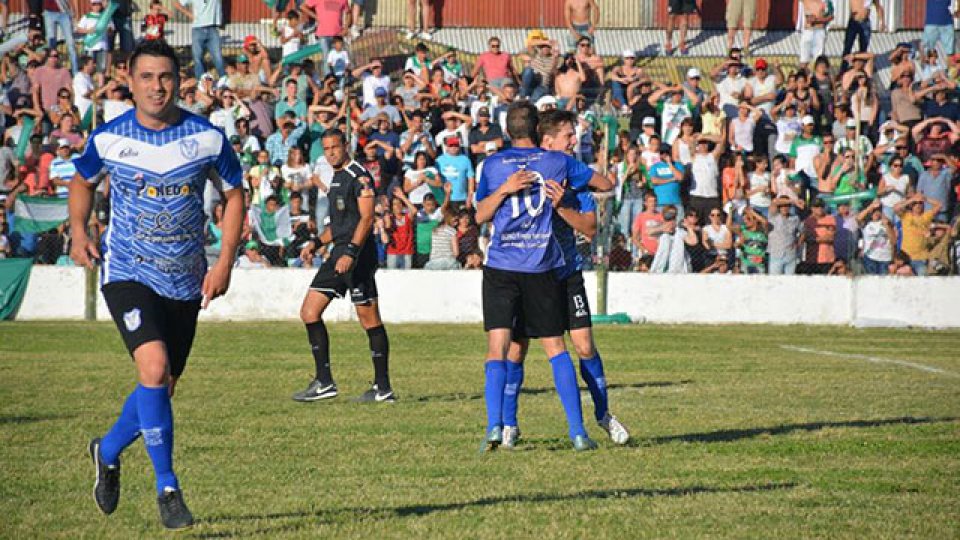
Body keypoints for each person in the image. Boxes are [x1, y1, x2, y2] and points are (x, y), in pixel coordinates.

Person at [71, 40, 244, 531]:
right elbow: (82, 181)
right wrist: (80, 231)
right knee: (154, 364)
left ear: (179, 79)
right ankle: (168, 487)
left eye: (165, 77)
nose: (156, 87)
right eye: (146, 77)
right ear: (129, 79)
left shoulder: (207, 137)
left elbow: (235, 195)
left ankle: (106, 451)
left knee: (161, 385)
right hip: (128, 271)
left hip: (185, 280)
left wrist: (225, 260)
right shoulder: (108, 139)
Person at [474, 101, 611, 452]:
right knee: (555, 348)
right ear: (538, 131)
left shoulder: (491, 165)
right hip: (540, 268)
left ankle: (494, 426)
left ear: (506, 130)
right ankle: (578, 432)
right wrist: (573, 188)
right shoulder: (558, 162)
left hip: (502, 267)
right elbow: (603, 182)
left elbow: (479, 216)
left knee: (499, 349)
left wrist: (504, 189)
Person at [293, 129, 395, 403]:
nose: (330, 153)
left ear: (345, 146)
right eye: (326, 149)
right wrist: (315, 243)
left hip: (357, 257)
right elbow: (338, 226)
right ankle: (324, 382)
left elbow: (365, 219)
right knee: (309, 312)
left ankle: (382, 387)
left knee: (369, 319)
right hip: (337, 254)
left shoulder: (359, 176)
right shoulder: (335, 177)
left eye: (335, 147)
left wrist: (351, 252)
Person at [175, 0, 225, 81]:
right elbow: (177, 3)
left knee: (218, 56)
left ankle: (223, 79)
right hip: (198, 28)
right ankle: (200, 81)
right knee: (198, 58)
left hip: (212, 28)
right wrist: (189, 14)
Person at [857, 199, 895, 275]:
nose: (876, 213)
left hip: (885, 258)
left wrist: (887, 226)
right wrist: (871, 206)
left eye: (878, 210)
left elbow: (893, 241)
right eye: (874, 211)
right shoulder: (866, 224)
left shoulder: (887, 223)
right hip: (870, 257)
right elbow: (858, 218)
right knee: (871, 282)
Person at [767, 197, 801, 274]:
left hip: (790, 254)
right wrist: (793, 200)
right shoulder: (773, 216)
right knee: (775, 281)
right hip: (776, 254)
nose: (785, 208)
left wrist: (798, 243)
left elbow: (803, 231)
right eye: (782, 206)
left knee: (789, 282)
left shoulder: (795, 218)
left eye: (787, 206)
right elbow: (774, 201)